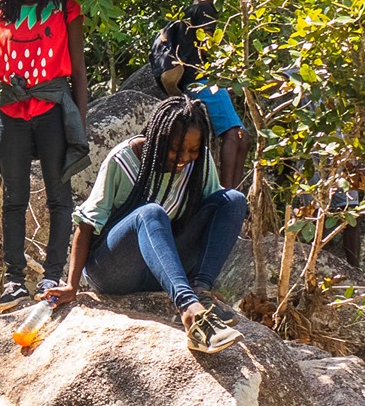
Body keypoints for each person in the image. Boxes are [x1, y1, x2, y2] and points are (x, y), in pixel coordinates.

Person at [54, 96, 247, 353]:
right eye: (176, 149)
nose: (185, 157)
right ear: (158, 138)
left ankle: (200, 293)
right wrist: (72, 285)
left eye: (193, 150)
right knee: (151, 213)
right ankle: (189, 310)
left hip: (163, 270)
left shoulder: (197, 163)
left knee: (233, 200)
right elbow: (87, 223)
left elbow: (214, 212)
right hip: (115, 270)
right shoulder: (123, 159)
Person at [0, 0, 90, 311]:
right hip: (10, 112)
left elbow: (79, 72)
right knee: (14, 198)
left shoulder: (65, 9)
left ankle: (52, 276)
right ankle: (13, 282)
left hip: (53, 108)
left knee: (59, 196)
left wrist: (80, 123)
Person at [151, 0, 249, 190]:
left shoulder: (188, 11)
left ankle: (233, 192)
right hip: (200, 79)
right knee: (235, 134)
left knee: (244, 139)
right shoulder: (205, 6)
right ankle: (226, 193)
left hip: (193, 80)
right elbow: (208, 45)